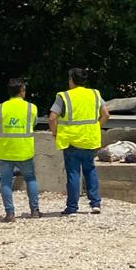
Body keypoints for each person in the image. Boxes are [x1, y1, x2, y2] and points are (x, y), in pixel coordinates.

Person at [49, 68, 109, 216]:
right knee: (90, 170)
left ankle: (72, 207)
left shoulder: (63, 96)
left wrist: (55, 133)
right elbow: (106, 114)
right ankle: (95, 204)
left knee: (73, 173)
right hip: (89, 140)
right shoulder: (95, 94)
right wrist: (96, 127)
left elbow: (52, 118)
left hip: (71, 141)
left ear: (71, 80)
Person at [0, 78, 40, 222]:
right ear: (22, 91)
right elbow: (34, 123)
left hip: (5, 150)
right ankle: (35, 211)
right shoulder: (31, 108)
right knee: (30, 179)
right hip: (24, 150)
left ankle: (10, 213)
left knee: (6, 182)